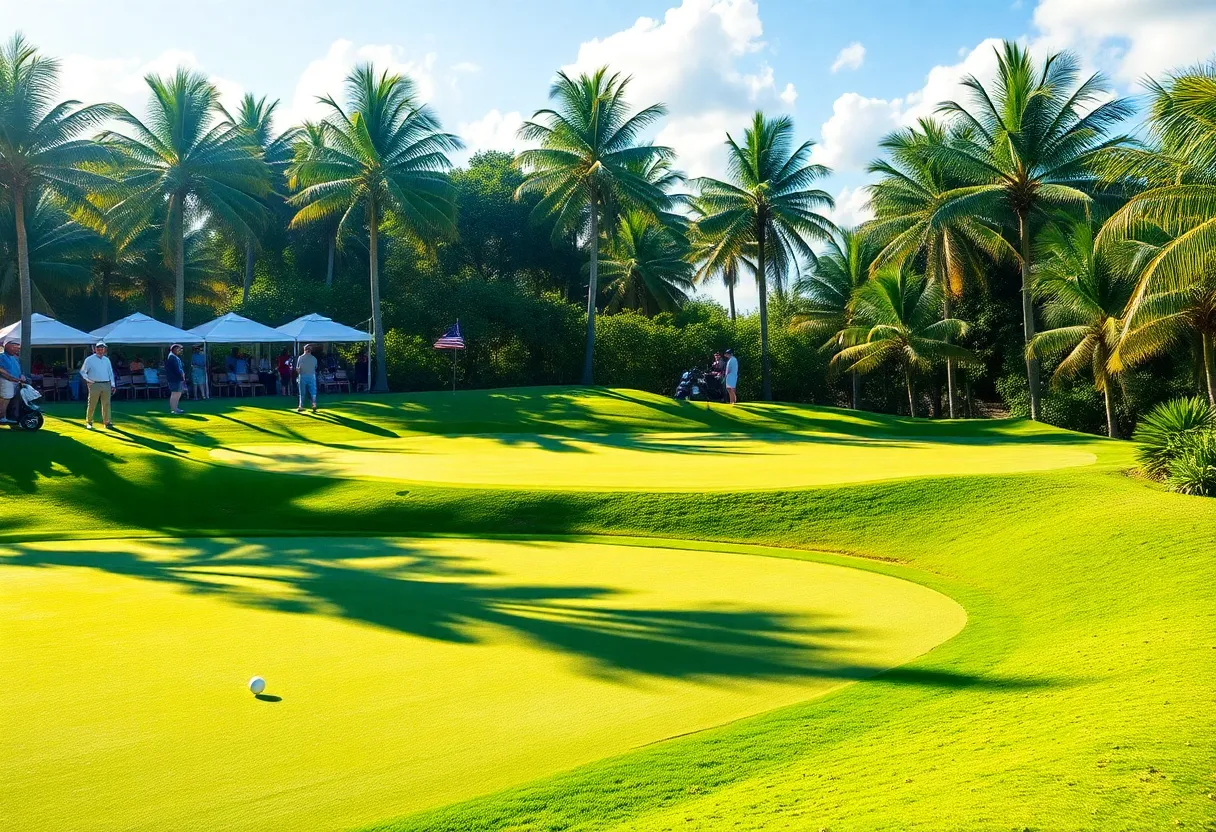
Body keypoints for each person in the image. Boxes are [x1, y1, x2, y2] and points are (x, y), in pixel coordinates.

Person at [80, 342, 116, 429]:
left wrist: (113, 384)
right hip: (94, 384)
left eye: (102, 349)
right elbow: (83, 371)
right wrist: (88, 380)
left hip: (106, 383)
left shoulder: (107, 360)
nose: (100, 351)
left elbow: (110, 373)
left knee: (106, 404)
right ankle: (89, 422)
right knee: (92, 404)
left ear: (104, 350)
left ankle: (107, 422)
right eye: (98, 349)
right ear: (95, 349)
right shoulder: (89, 359)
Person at [0, 339, 27, 424]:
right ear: (8, 347)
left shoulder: (15, 358)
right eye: (16, 348)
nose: (18, 350)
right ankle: (2, 418)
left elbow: (19, 369)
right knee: (5, 398)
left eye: (18, 348)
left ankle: (10, 416)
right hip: (6, 381)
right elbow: (1, 370)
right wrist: (10, 377)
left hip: (15, 382)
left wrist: (21, 376)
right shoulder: (2, 356)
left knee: (10, 399)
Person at [295, 343, 319, 413]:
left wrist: (299, 374)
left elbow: (297, 368)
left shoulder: (300, 358)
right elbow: (315, 367)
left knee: (302, 392)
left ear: (304, 350)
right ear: (311, 350)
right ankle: (314, 404)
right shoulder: (314, 358)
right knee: (313, 391)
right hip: (312, 376)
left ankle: (300, 406)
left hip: (302, 376)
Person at [165, 344, 186, 414]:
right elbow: (176, 369)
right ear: (174, 349)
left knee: (178, 393)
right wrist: (181, 375)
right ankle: (173, 409)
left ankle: (176, 408)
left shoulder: (174, 357)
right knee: (174, 394)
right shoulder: (172, 357)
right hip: (174, 379)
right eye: (178, 349)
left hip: (177, 378)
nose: (179, 351)